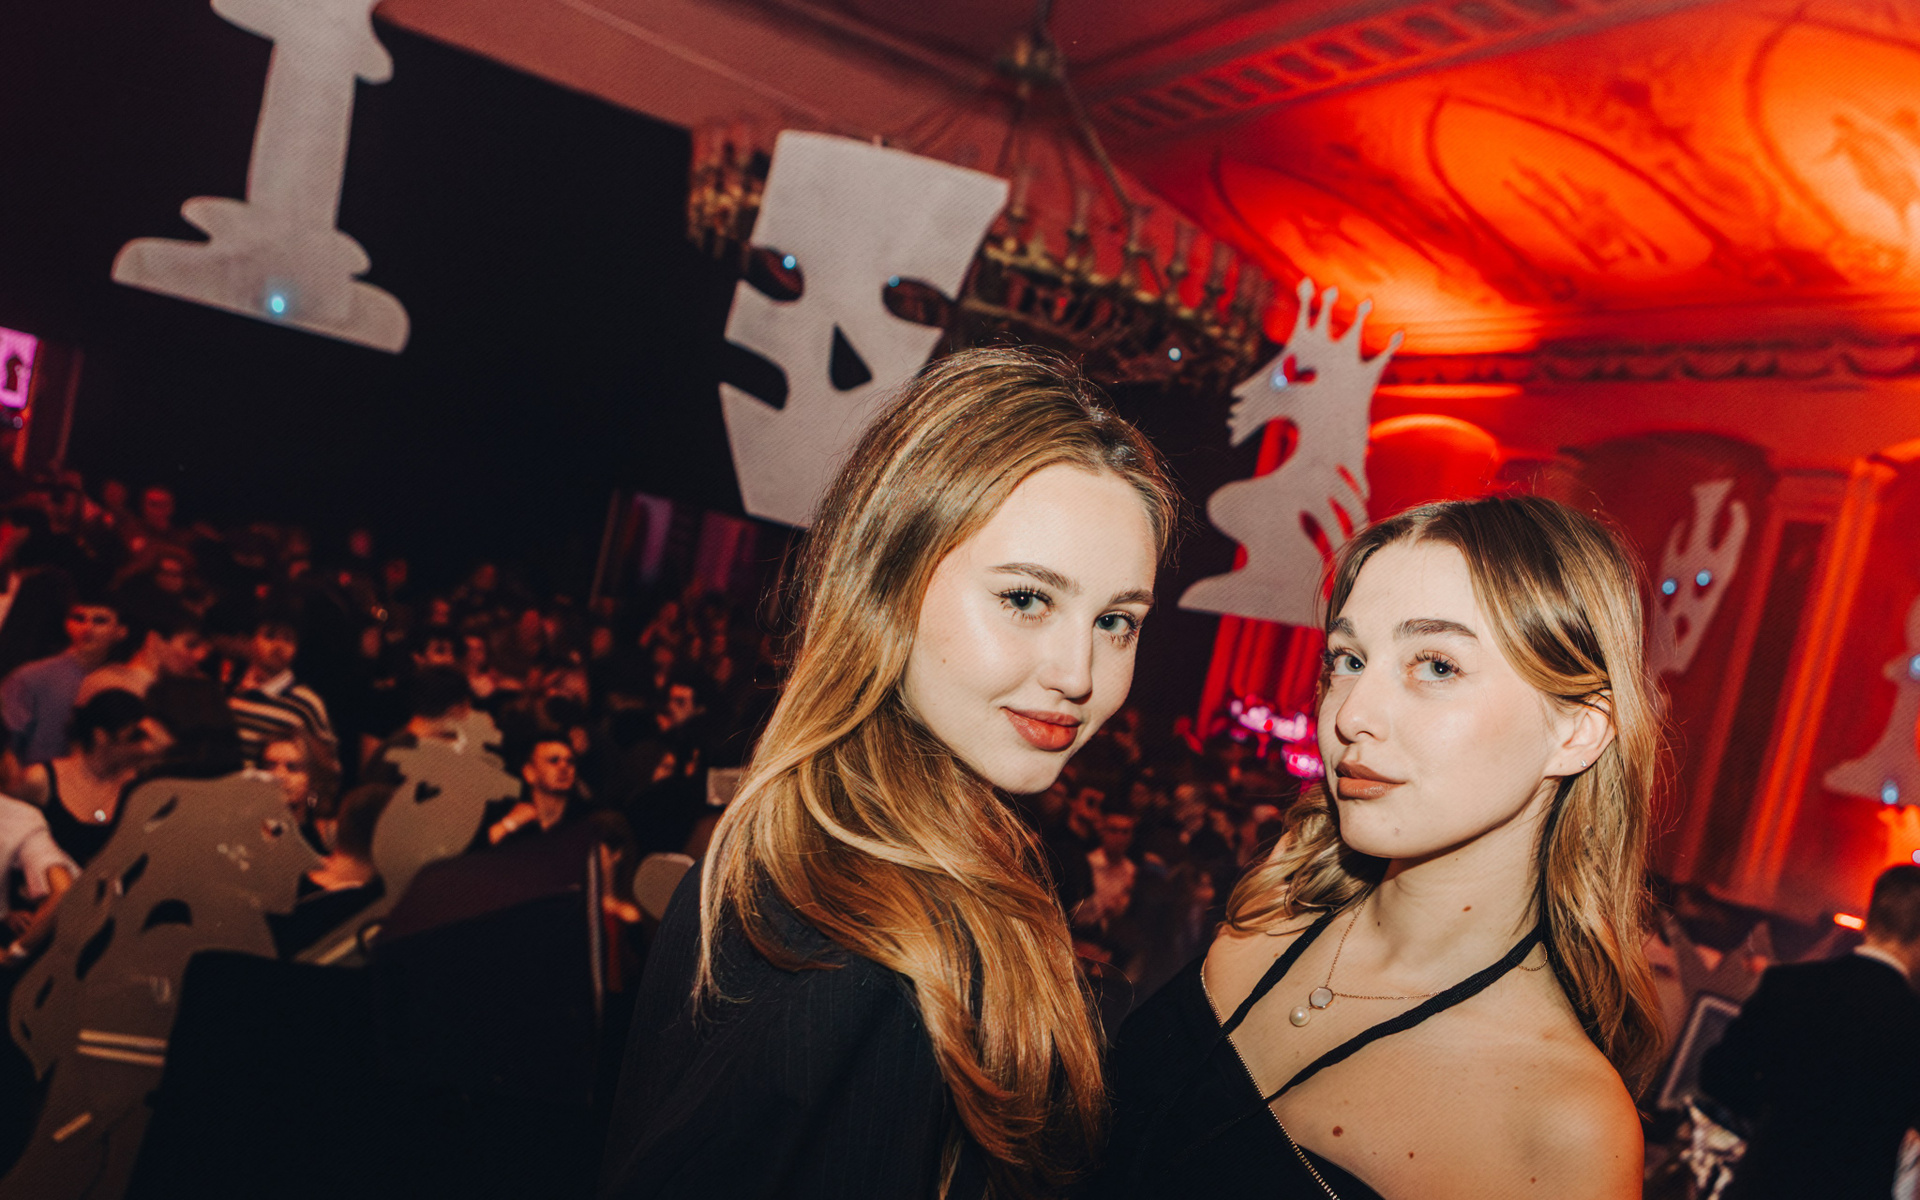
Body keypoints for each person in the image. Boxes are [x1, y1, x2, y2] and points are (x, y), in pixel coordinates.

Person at [600, 347, 1178, 1200]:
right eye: (1026, 599)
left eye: (1117, 621)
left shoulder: (874, 849)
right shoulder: (848, 941)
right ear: (889, 583)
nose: (1078, 672)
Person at [1094, 496, 1662, 1199]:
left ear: (1576, 732)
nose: (1351, 713)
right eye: (1348, 659)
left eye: (1438, 666)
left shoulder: (1567, 1131)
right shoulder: (1274, 911)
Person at [1700, 863, 1920, 1200]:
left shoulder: (1789, 985)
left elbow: (1717, 1074)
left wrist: (1779, 1113)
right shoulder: (1912, 1020)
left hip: (1766, 1184)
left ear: (1872, 917)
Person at [13, 688, 165, 868]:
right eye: (134, 738)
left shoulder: (136, 786)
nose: (144, 748)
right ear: (101, 736)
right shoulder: (40, 778)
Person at [0, 594, 127, 766]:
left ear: (121, 631)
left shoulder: (120, 684)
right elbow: (6, 743)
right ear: (67, 624)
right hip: (33, 776)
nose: (87, 628)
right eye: (79, 619)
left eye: (100, 621)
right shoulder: (31, 676)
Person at [228, 616, 335, 764]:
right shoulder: (231, 693)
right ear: (250, 641)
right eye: (270, 636)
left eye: (288, 639)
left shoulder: (306, 703)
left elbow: (326, 765)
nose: (279, 646)